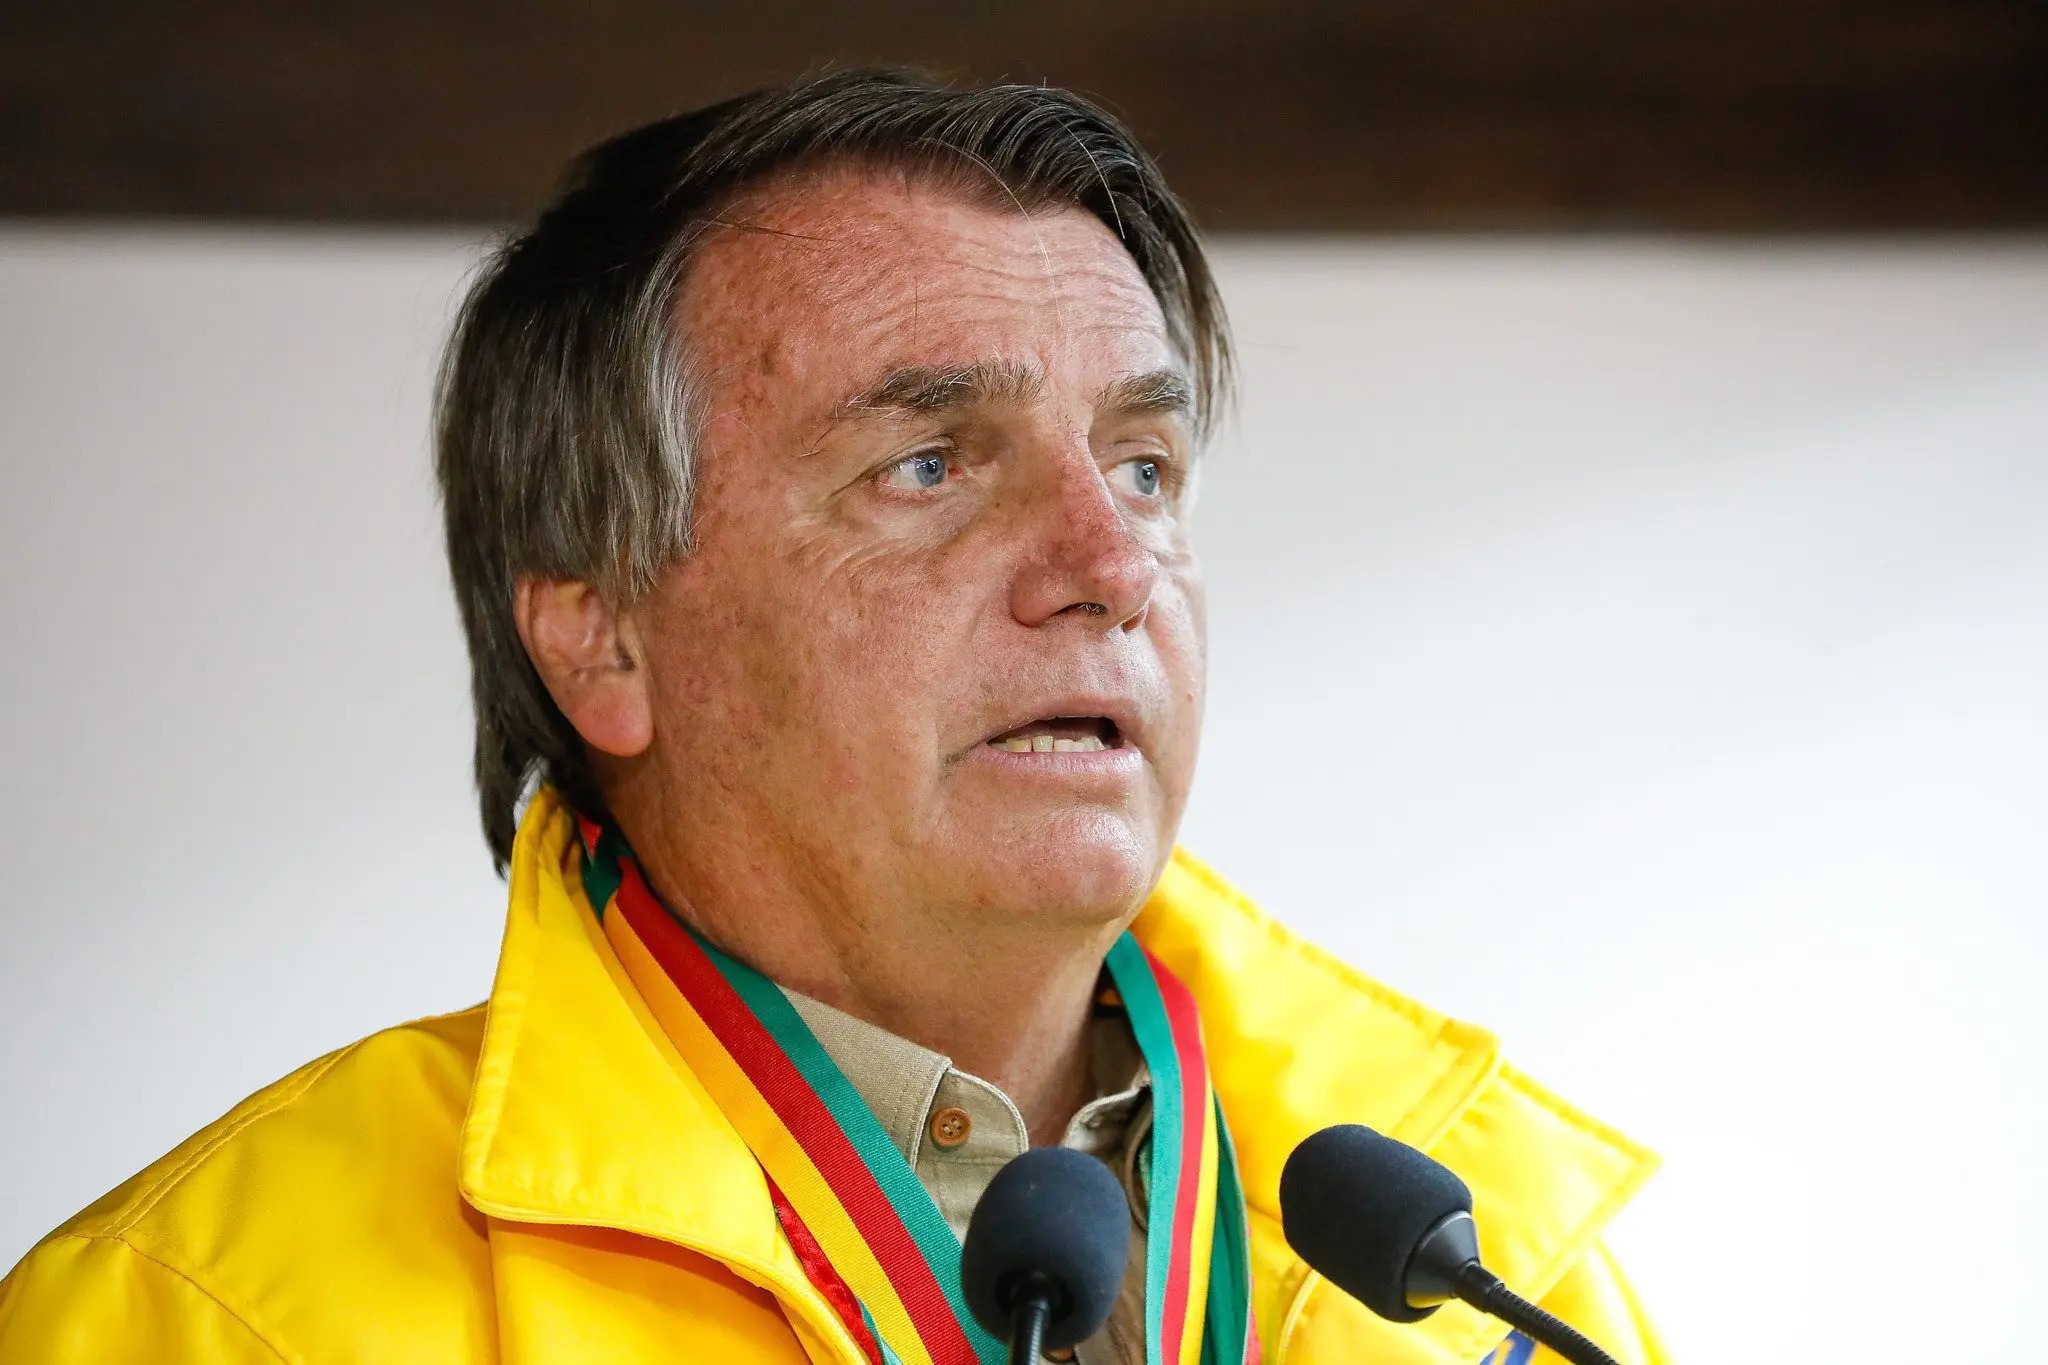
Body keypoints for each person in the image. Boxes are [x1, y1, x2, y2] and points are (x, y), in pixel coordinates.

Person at [0, 71, 1664, 1364]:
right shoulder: (204, 1317)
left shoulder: (1486, 1274)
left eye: (1146, 469)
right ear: (601, 640)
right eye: (928, 466)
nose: (1108, 568)